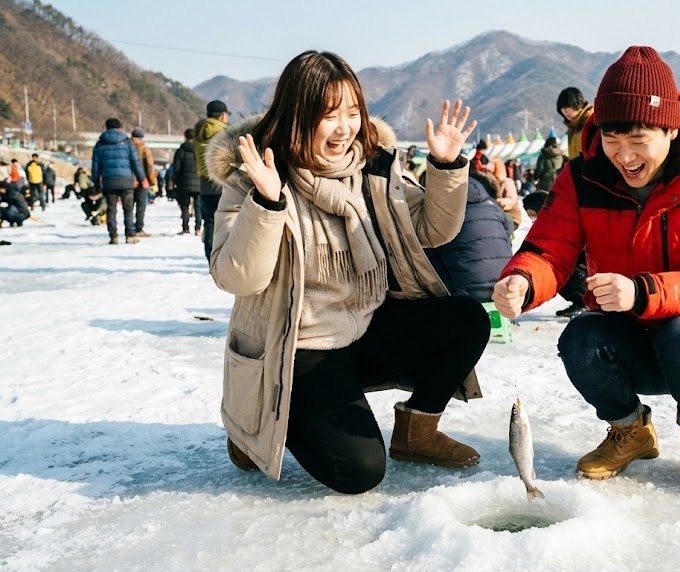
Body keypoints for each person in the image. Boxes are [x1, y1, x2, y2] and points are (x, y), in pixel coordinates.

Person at [205, 50, 489, 494]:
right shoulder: (256, 176)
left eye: (353, 112)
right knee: (360, 472)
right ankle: (254, 427)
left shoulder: (371, 165)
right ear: (298, 116)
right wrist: (267, 203)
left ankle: (418, 431)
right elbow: (238, 277)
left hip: (365, 327)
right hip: (300, 351)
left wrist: (446, 168)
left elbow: (431, 230)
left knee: (466, 320)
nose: (345, 128)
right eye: (329, 115)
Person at [492, 46, 680, 496]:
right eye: (613, 140)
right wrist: (523, 279)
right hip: (626, 334)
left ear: (671, 130)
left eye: (638, 141)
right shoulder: (582, 176)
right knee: (579, 338)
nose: (623, 155)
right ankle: (630, 431)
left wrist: (643, 292)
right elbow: (549, 247)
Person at [426, 169, 513, 301]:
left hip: (465, 291)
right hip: (504, 286)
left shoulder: (441, 208)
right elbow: (507, 239)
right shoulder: (493, 206)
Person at [523, 190, 587, 318]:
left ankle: (584, 302)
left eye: (532, 214)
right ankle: (580, 301)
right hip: (580, 265)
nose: (532, 219)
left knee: (560, 273)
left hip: (584, 268)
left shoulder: (563, 219)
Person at [92, 118, 147, 244]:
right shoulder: (127, 142)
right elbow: (135, 162)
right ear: (120, 127)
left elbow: (96, 165)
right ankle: (130, 235)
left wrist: (95, 182)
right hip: (126, 180)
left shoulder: (100, 144)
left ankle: (113, 235)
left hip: (108, 181)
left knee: (111, 209)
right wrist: (141, 178)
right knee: (128, 209)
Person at [195, 100, 230, 262]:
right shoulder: (225, 133)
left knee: (209, 222)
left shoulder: (199, 132)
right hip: (224, 184)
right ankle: (224, 259)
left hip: (204, 184)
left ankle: (211, 258)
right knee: (227, 221)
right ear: (223, 116)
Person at [172, 128, 202, 235]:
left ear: (185, 137)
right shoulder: (199, 151)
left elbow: (176, 168)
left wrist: (175, 181)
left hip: (184, 184)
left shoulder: (181, 151)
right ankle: (198, 228)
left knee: (185, 206)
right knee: (198, 206)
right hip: (198, 183)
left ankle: (186, 228)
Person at [130, 128, 158, 236]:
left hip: (129, 181)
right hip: (142, 181)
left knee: (129, 207)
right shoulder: (144, 148)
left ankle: (129, 228)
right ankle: (139, 228)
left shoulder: (125, 146)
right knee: (141, 206)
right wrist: (152, 181)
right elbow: (150, 166)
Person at [557, 87, 594, 161]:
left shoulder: (593, 122)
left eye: (567, 106)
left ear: (578, 103)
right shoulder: (573, 127)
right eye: (562, 107)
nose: (565, 111)